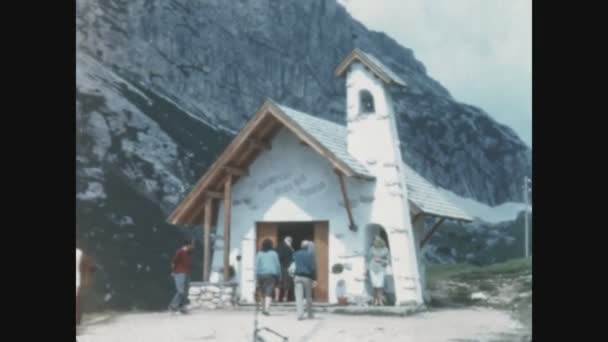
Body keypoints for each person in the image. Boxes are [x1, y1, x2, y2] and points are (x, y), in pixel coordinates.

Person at [255, 238, 281, 315]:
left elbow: (256, 265)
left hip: (261, 274)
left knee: (262, 292)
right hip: (271, 275)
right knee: (269, 292)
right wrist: (279, 274)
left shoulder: (259, 254)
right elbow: (277, 265)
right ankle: (267, 309)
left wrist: (256, 275)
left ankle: (263, 308)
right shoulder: (274, 253)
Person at [293, 240, 317, 320]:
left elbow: (294, 264)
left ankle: (300, 315)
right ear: (308, 247)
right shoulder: (310, 254)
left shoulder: (296, 254)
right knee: (308, 296)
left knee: (298, 297)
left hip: (297, 276)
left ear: (301, 246)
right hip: (307, 277)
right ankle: (310, 314)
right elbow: (313, 267)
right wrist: (315, 279)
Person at [169, 240, 194, 314]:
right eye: (191, 245)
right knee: (181, 291)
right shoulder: (180, 251)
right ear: (187, 245)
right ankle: (173, 305)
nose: (192, 247)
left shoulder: (188, 253)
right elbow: (174, 262)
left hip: (186, 273)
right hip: (179, 273)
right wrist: (173, 271)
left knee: (185, 292)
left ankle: (182, 307)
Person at [76, 246, 96, 327]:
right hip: (80, 282)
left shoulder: (79, 253)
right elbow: (92, 267)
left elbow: (91, 267)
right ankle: (77, 321)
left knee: (79, 300)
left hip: (79, 282)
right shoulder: (80, 253)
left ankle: (77, 321)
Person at [368, 235, 390, 306]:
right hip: (372, 268)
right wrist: (366, 269)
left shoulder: (385, 249)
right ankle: (375, 300)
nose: (376, 241)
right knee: (374, 285)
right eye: (375, 240)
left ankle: (380, 300)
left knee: (380, 285)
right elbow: (368, 259)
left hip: (381, 269)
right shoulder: (372, 249)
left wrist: (381, 260)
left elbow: (388, 261)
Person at [275, 236, 294, 302]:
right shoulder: (288, 248)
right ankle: (284, 297)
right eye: (290, 240)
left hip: (281, 267)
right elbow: (281, 256)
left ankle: (277, 298)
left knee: (279, 282)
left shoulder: (278, 246)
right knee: (286, 283)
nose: (291, 241)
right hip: (286, 267)